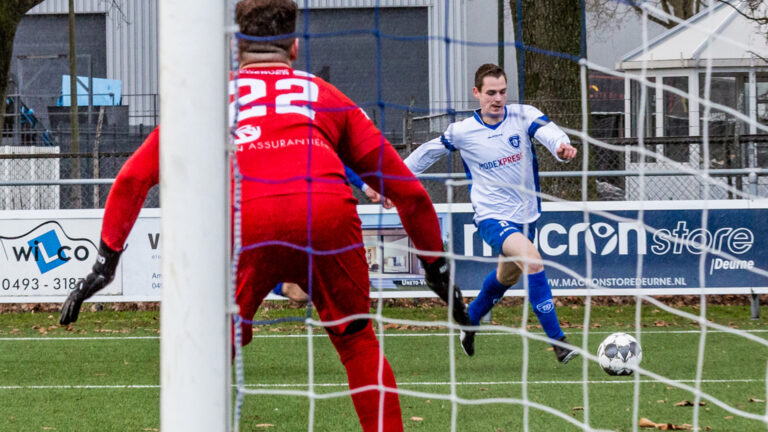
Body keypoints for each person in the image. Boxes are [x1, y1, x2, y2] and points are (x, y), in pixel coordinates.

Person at [62, 2, 470, 431]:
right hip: (326, 211)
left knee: (214, 350)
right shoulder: (324, 95)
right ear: (294, 48)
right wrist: (436, 267)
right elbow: (409, 193)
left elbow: (131, 179)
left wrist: (105, 263)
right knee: (357, 344)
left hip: (247, 218)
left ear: (236, 47)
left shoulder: (208, 98)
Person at [403, 63, 579, 364]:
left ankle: (470, 320)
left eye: (502, 92)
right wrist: (393, 181)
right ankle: (558, 342)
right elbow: (428, 152)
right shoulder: (462, 131)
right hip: (491, 217)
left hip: (527, 215)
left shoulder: (523, 115)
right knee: (534, 262)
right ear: (476, 93)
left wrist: (561, 146)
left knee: (506, 276)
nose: (497, 99)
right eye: (490, 93)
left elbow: (549, 132)